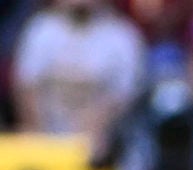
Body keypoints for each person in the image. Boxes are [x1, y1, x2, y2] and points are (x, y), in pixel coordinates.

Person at [10, 0, 146, 139]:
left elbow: (123, 97)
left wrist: (90, 133)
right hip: (45, 141)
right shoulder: (40, 29)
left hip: (103, 146)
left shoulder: (123, 36)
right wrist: (39, 136)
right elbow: (26, 88)